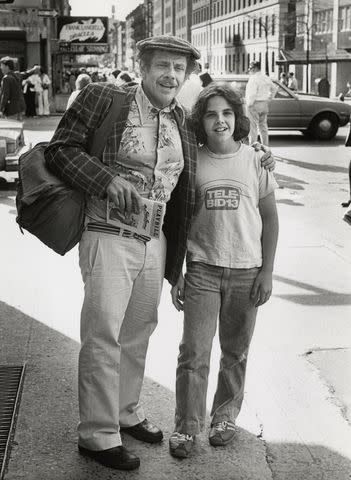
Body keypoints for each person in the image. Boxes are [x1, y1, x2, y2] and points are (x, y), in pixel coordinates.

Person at [45, 35, 275, 471]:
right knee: (103, 333)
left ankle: (126, 411)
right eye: (162, 66)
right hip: (107, 231)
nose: (171, 75)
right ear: (143, 66)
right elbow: (60, 150)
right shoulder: (104, 97)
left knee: (138, 330)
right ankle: (96, 433)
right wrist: (104, 180)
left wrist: (258, 155)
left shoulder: (181, 121)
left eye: (178, 69)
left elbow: (213, 155)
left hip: (155, 240)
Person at [168, 83, 279, 458]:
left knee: (235, 352)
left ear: (237, 117)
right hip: (202, 270)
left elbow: (270, 219)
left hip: (247, 271)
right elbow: (178, 221)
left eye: (227, 113)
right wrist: (176, 272)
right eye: (212, 114)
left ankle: (225, 416)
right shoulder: (192, 162)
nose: (220, 121)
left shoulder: (255, 160)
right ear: (202, 121)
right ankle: (186, 427)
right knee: (193, 353)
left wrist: (268, 271)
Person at [245, 61, 276, 146]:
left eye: (250, 69)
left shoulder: (253, 78)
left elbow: (252, 94)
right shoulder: (266, 77)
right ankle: (265, 147)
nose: (250, 71)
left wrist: (249, 104)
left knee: (253, 127)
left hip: (254, 104)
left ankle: (252, 147)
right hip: (264, 104)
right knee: (263, 127)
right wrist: (269, 98)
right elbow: (274, 88)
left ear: (254, 68)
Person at [0, 56, 26, 120]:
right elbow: (26, 73)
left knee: (12, 128)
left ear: (7, 67)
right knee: (19, 127)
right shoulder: (16, 75)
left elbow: (5, 95)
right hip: (20, 107)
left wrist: (1, 109)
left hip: (11, 109)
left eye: (2, 65)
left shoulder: (6, 78)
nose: (0, 67)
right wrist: (33, 69)